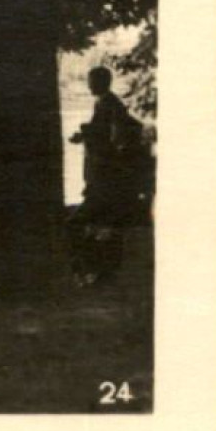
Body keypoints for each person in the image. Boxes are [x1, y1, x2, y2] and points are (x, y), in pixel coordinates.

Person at [68, 67, 150, 286]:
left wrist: (88, 137)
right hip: (105, 177)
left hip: (106, 176)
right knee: (103, 225)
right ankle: (100, 272)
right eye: (90, 80)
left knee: (87, 223)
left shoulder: (108, 105)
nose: (89, 85)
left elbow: (111, 139)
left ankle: (91, 271)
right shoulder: (108, 104)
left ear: (103, 82)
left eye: (92, 81)